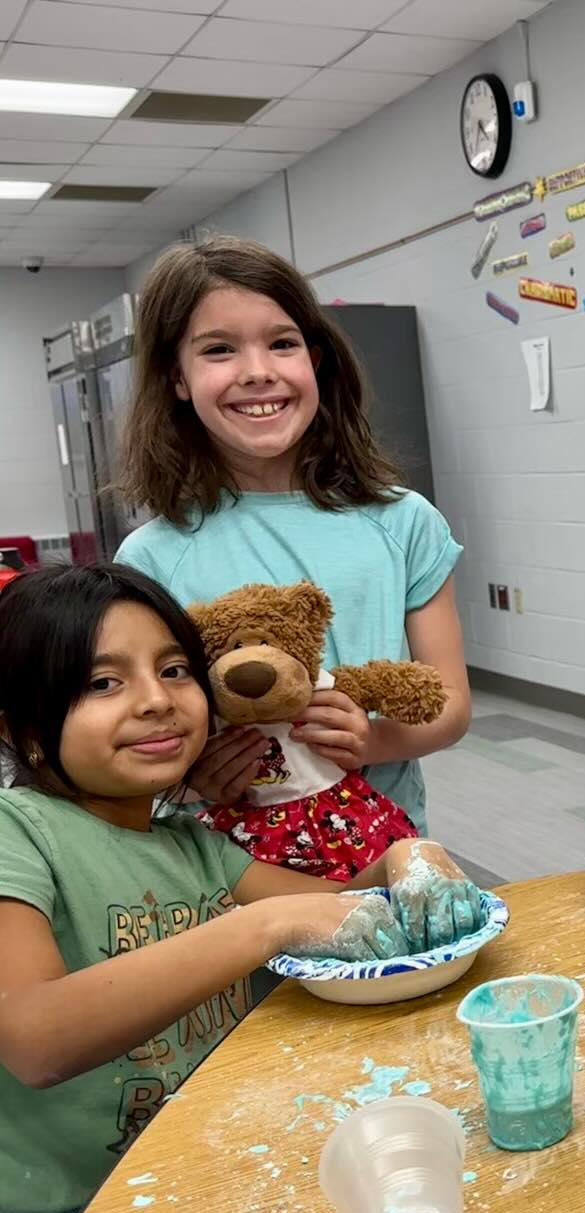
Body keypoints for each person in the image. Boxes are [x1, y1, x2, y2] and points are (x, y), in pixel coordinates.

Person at [0, 563, 486, 1213]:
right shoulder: (16, 835)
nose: (156, 699)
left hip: (188, 1189)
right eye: (102, 682)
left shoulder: (193, 843)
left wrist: (405, 859)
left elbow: (334, 907)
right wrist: (260, 927)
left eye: (173, 670)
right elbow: (33, 1037)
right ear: (22, 726)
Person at [115, 235, 469, 848]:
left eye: (282, 343)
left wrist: (370, 740)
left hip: (385, 852)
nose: (258, 372)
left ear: (317, 359)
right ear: (177, 377)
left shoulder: (403, 521)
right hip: (231, 872)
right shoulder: (150, 557)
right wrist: (194, 777)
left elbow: (450, 706)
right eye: (219, 350)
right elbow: (139, 734)